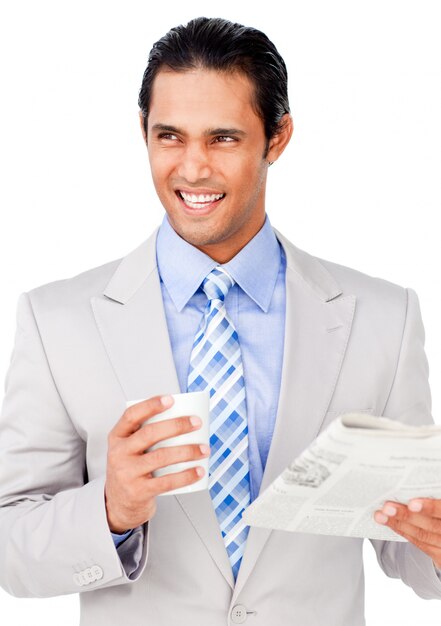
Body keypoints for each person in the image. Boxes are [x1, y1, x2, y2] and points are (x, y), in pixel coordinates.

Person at [0, 15, 440, 626]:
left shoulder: (384, 318)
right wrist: (109, 511)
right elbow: (9, 544)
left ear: (277, 138)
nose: (193, 168)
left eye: (224, 138)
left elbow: (407, 545)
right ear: (143, 132)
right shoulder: (56, 322)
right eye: (170, 136)